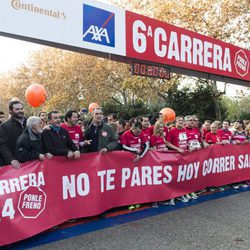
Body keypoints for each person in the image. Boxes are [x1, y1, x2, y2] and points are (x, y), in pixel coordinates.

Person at [0, 100, 26, 168]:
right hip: (14, 164)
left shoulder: (29, 123)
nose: (20, 111)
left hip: (29, 161)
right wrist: (11, 159)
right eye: (17, 109)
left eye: (21, 108)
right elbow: (2, 145)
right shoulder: (4, 126)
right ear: (10, 111)